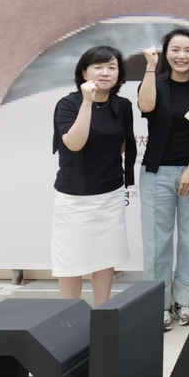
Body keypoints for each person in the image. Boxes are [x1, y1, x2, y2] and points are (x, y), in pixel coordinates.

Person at [137, 29, 189, 331]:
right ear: (166, 52)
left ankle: (185, 301)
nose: (181, 56)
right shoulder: (155, 82)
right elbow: (145, 107)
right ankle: (159, 304)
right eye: (175, 49)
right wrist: (149, 66)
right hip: (157, 171)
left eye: (188, 50)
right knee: (157, 241)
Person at [51, 46, 136, 304]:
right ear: (84, 71)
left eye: (112, 67)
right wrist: (87, 102)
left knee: (105, 257)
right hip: (74, 196)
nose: (105, 72)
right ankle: (69, 317)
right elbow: (74, 143)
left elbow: (123, 144)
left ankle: (102, 314)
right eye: (98, 66)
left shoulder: (122, 106)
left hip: (110, 194)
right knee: (71, 260)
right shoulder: (68, 104)